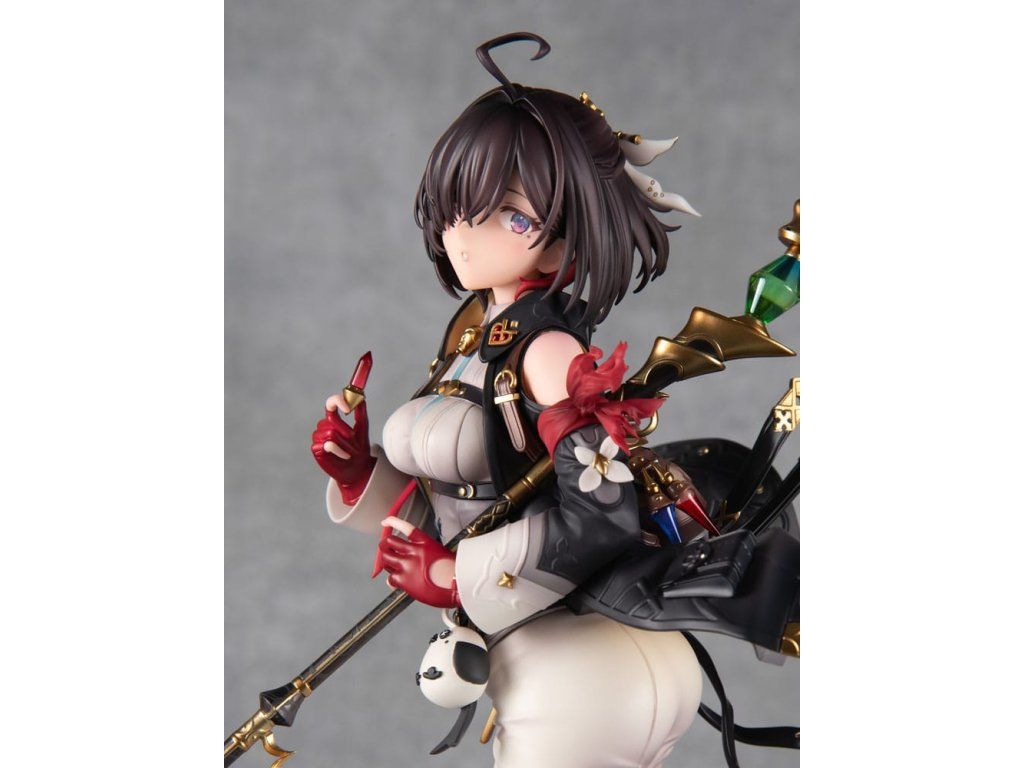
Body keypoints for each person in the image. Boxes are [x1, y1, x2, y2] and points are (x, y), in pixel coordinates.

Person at [310, 32, 715, 768]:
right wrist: (358, 474)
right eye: (460, 204)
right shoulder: (477, 334)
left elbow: (603, 515)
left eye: (511, 216)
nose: (464, 233)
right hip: (538, 651)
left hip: (583, 666)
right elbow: (476, 498)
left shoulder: (547, 353)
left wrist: (451, 577)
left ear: (565, 242)